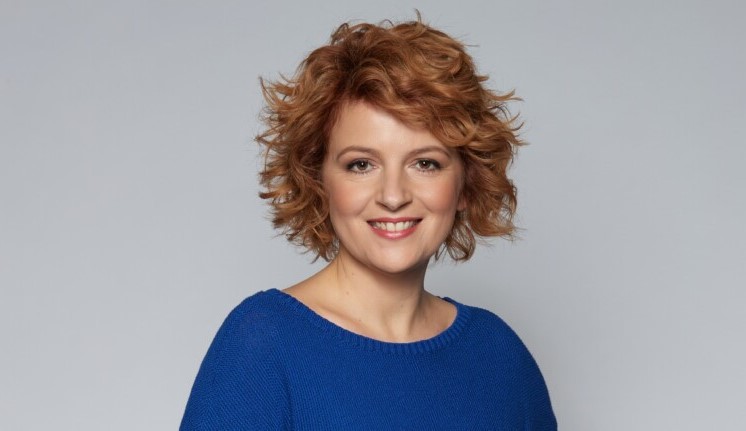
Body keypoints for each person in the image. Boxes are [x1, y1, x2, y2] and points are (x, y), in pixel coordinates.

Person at [180, 15, 556, 430]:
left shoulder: (499, 357)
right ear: (318, 180)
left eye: (425, 163)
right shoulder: (262, 347)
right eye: (361, 164)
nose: (393, 196)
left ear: (466, 183)